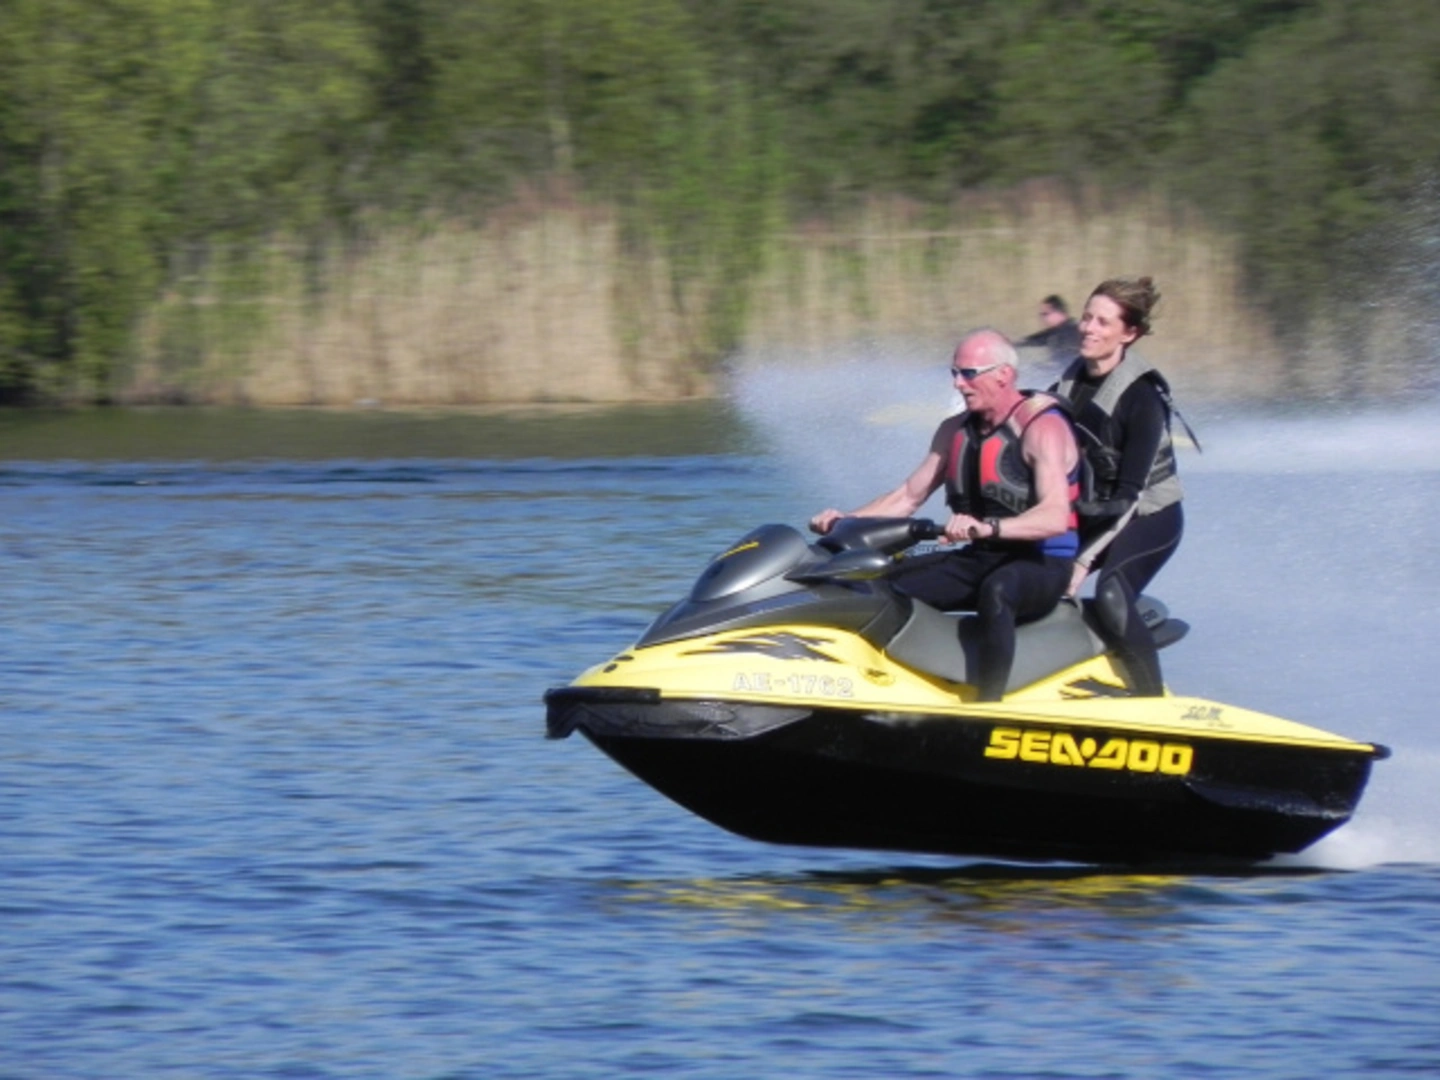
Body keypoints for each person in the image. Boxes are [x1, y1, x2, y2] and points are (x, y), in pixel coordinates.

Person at [810, 329, 1080, 702]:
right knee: (876, 585)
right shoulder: (954, 432)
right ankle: (886, 685)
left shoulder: (1042, 428)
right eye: (953, 373)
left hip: (1042, 562)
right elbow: (907, 497)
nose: (958, 384)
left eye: (968, 373)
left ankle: (990, 705)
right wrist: (843, 523)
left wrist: (987, 528)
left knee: (998, 591)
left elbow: (1054, 517)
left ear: (1003, 374)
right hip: (981, 557)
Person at [1054, 276, 1185, 697]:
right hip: (1097, 512)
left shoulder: (1142, 399)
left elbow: (1128, 499)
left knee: (1111, 593)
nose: (1088, 328)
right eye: (1087, 317)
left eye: (1103, 323)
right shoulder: (1070, 380)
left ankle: (1149, 697)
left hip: (1149, 516)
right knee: (1033, 579)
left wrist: (1081, 563)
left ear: (1129, 334)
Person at [1015, 294, 1081, 365]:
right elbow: (1037, 339)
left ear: (1058, 312)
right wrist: (1016, 344)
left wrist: (1045, 367)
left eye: (1045, 314)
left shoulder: (1070, 333)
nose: (1042, 318)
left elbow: (1066, 361)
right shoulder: (1058, 331)